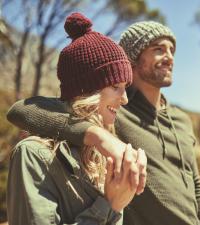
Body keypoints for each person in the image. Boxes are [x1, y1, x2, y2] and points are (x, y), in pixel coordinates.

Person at [7, 21, 200, 225]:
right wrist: (97, 134)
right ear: (134, 58)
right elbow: (23, 109)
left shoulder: (182, 120)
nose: (169, 57)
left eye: (172, 50)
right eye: (158, 49)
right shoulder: (117, 114)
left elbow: (195, 182)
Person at [6, 13, 147, 225]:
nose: (125, 99)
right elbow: (18, 110)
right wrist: (110, 205)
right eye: (116, 87)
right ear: (87, 90)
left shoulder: (102, 157)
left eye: (125, 88)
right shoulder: (34, 155)